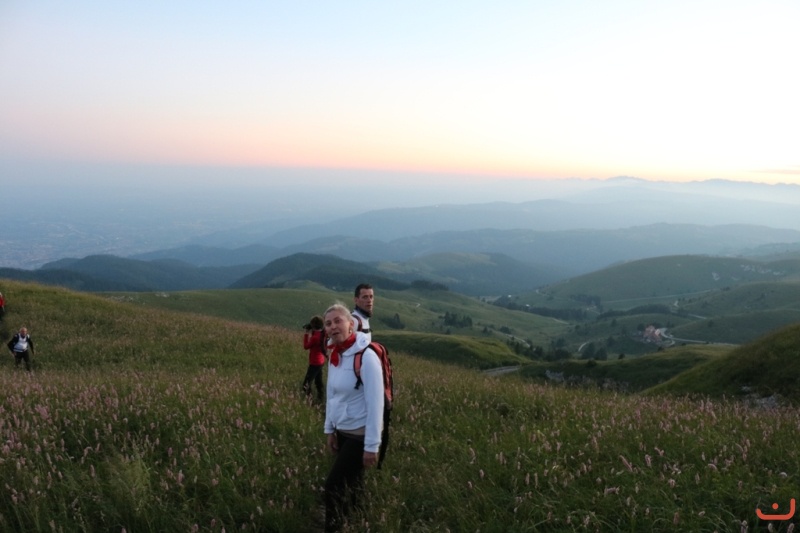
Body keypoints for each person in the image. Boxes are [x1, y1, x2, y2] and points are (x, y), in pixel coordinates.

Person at [323, 303, 384, 532]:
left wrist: (372, 446)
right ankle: (359, 522)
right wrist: (329, 429)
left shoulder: (366, 357)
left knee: (333, 487)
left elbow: (376, 403)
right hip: (342, 430)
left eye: (338, 321)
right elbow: (331, 395)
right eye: (328, 323)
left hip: (360, 436)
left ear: (351, 324)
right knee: (354, 486)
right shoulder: (336, 355)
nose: (333, 326)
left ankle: (334, 528)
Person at [302, 315, 326, 401]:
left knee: (306, 383)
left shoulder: (315, 337)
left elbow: (306, 346)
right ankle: (320, 398)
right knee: (318, 381)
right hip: (321, 361)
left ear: (313, 325)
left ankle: (309, 400)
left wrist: (306, 334)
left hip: (315, 362)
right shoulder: (322, 334)